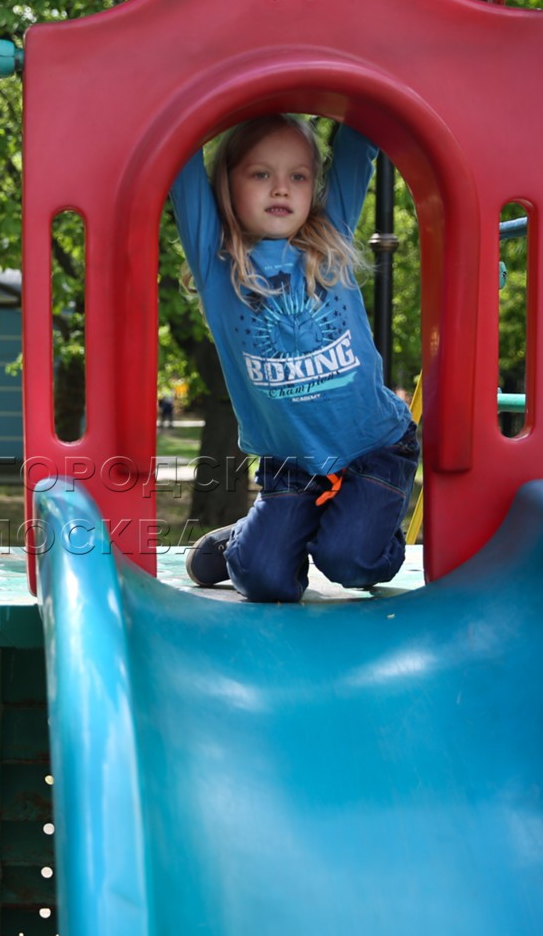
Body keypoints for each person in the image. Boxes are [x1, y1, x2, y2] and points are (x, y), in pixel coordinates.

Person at [172, 114, 419, 603]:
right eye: (261, 173)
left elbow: (360, 137)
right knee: (264, 580)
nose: (281, 188)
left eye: (298, 176)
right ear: (226, 185)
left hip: (374, 447)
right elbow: (179, 152)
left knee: (350, 561)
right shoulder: (216, 264)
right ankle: (247, 540)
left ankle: (352, 528)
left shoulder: (331, 239)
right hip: (292, 461)